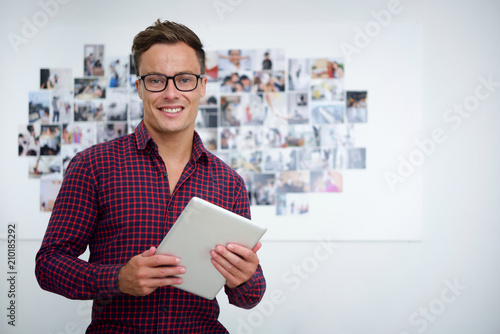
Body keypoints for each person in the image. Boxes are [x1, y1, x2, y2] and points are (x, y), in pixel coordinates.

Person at [35, 19, 266, 333]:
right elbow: (48, 265)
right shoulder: (92, 165)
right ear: (140, 88)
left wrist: (245, 277)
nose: (171, 93)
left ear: (201, 86)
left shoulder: (229, 182)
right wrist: (117, 279)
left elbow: (248, 298)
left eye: (184, 79)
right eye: (157, 80)